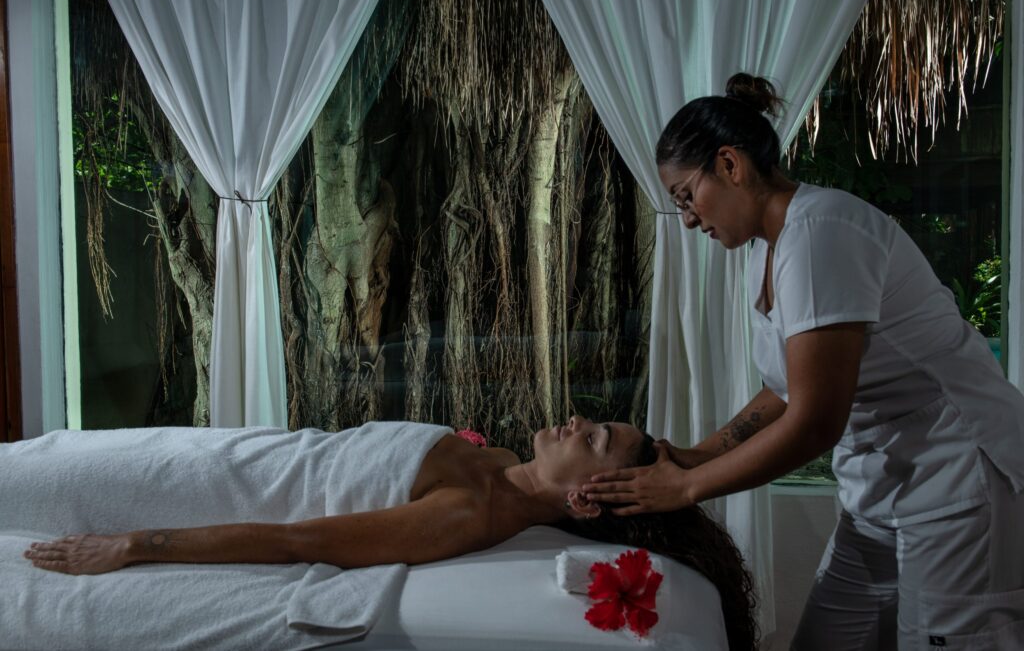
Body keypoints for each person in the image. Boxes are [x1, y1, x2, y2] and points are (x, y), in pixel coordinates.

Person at [583, 72, 1024, 649]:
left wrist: (687, 489)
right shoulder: (765, 249)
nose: (687, 219)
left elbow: (816, 420)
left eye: (687, 197)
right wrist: (698, 454)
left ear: (730, 165)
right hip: (881, 485)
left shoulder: (822, 232)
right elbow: (788, 388)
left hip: (955, 479)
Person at [20, 415, 757, 650]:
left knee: (28, 481)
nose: (577, 420)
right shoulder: (499, 464)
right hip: (224, 455)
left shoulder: (466, 514)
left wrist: (133, 545)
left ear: (586, 500)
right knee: (37, 458)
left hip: (202, 490)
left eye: (593, 439)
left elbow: (295, 542)